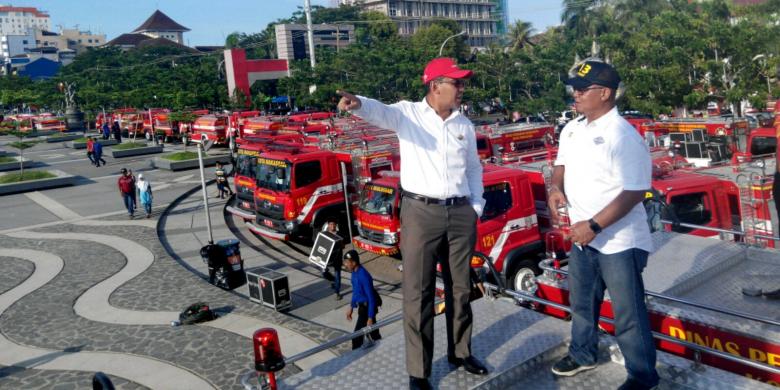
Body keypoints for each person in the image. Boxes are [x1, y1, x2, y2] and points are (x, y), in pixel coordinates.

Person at [337, 57, 487, 390]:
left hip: (461, 213)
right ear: (436, 86)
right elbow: (380, 111)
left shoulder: (464, 124)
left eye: (463, 83)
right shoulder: (409, 114)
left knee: (461, 288)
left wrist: (476, 206)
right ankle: (419, 372)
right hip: (421, 212)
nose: (462, 88)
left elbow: (475, 168)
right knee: (417, 293)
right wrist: (358, 103)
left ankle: (461, 352)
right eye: (456, 83)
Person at [547, 60, 659, 390]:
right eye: (573, 89)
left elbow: (636, 191)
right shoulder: (572, 128)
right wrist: (556, 188)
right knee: (582, 304)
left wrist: (594, 226)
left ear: (606, 93)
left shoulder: (623, 136)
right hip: (584, 239)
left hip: (620, 242)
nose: (575, 95)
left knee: (628, 314)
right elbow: (560, 165)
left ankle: (642, 376)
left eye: (582, 89)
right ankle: (583, 354)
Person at [344, 250, 381, 350]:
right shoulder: (354, 273)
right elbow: (356, 291)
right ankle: (380, 345)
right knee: (374, 333)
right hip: (362, 307)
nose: (345, 264)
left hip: (368, 308)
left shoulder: (364, 276)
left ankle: (355, 357)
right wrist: (351, 307)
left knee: (356, 337)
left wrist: (370, 317)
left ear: (354, 263)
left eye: (347, 262)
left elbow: (371, 297)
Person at [321, 218, 343, 300]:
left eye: (334, 224)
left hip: (337, 258)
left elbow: (343, 245)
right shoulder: (325, 234)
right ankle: (334, 281)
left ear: (336, 225)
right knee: (324, 273)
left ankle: (337, 292)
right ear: (328, 225)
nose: (332, 226)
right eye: (331, 224)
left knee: (338, 275)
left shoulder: (339, 234)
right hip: (327, 259)